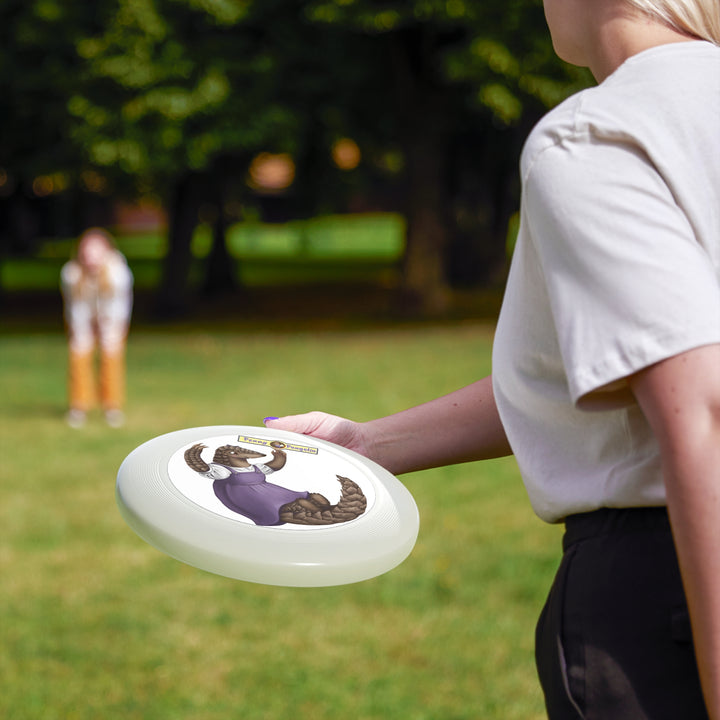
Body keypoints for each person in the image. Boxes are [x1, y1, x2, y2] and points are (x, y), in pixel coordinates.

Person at [264, 1, 720, 718]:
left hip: (669, 594)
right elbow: (610, 369)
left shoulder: (600, 134)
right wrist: (367, 444)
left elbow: (702, 410)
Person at [60, 227, 133, 428]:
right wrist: (83, 331)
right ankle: (79, 406)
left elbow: (118, 306)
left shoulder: (118, 273)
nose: (91, 257)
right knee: (79, 354)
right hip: (82, 318)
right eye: (87, 252)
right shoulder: (71, 274)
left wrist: (108, 327)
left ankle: (112, 406)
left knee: (111, 356)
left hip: (112, 318)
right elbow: (75, 306)